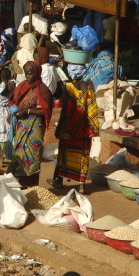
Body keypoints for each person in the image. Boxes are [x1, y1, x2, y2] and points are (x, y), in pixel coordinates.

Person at [53, 64, 99, 192]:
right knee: (83, 156)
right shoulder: (89, 87)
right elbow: (92, 108)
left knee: (64, 154)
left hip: (68, 128)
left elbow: (65, 110)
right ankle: (81, 186)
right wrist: (92, 128)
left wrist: (59, 127)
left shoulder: (66, 87)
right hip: (83, 128)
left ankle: (59, 180)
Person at [8, 61, 53, 188]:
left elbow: (46, 110)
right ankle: (19, 185)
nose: (27, 77)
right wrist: (12, 109)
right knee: (18, 153)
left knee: (31, 155)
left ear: (37, 73)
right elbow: (12, 100)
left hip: (34, 126)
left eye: (30, 74)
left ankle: (30, 186)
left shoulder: (42, 89)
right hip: (21, 125)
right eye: (26, 74)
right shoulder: (21, 86)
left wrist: (27, 110)